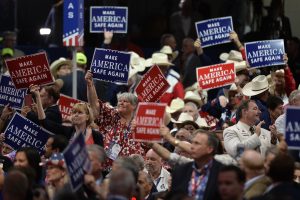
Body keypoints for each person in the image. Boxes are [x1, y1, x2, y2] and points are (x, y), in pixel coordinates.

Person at [86, 71, 144, 170]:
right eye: (119, 101)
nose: (121, 103)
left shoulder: (138, 124)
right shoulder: (112, 115)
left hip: (129, 171)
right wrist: (90, 85)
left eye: (125, 101)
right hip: (106, 168)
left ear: (134, 106)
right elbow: (95, 105)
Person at [30, 84, 103, 146]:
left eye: (80, 112)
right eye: (74, 112)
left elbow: (101, 157)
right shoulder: (67, 131)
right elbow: (44, 121)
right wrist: (37, 96)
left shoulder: (96, 136)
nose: (76, 115)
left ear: (87, 117)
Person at [171, 129, 223, 200]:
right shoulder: (180, 171)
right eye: (192, 143)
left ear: (210, 149)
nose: (192, 147)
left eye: (197, 143)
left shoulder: (222, 172)